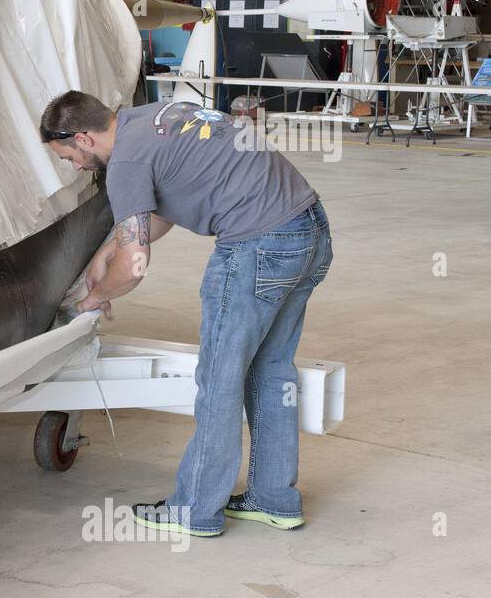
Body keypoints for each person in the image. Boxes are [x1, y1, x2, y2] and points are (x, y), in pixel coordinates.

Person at [40, 91, 333, 537]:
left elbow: (135, 267)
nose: (76, 167)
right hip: (307, 229)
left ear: (83, 138)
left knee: (219, 377)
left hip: (258, 245)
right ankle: (274, 499)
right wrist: (109, 249)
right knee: (271, 369)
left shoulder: (125, 163)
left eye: (70, 157)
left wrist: (90, 300)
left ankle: (195, 509)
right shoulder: (156, 117)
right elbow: (166, 207)